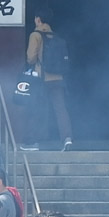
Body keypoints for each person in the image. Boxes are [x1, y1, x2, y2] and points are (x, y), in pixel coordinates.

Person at [25, 12, 74, 150]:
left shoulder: (35, 35)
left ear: (38, 20)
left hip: (41, 79)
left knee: (36, 108)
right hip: (58, 78)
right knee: (60, 109)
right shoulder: (56, 36)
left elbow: (31, 58)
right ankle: (67, 138)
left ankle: (33, 141)